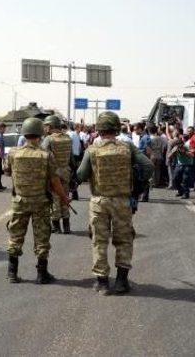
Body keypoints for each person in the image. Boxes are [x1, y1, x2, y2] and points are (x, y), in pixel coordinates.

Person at [76, 111, 153, 295]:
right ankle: (121, 282)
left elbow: (80, 175)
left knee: (99, 241)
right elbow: (148, 166)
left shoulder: (92, 150)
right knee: (124, 240)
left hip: (99, 201)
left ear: (99, 129)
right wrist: (137, 190)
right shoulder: (128, 147)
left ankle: (102, 283)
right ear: (117, 129)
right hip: (122, 201)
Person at [4, 117, 70, 284]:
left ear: (24, 133)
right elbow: (55, 182)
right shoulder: (46, 155)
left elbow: (7, 171)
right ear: (41, 133)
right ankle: (42, 274)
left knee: (15, 236)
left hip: (20, 201)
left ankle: (12, 272)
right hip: (40, 202)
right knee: (42, 238)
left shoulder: (13, 153)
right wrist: (64, 198)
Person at [41, 115, 73, 234]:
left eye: (45, 126)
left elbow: (44, 157)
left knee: (55, 198)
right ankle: (67, 226)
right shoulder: (68, 138)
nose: (44, 128)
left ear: (49, 126)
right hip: (66, 171)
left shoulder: (49, 139)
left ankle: (56, 226)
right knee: (65, 197)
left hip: (54, 173)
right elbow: (71, 159)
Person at [170, 133, 195, 199]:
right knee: (175, 179)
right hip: (179, 165)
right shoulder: (176, 148)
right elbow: (169, 156)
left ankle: (186, 194)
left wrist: (184, 152)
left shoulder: (186, 147)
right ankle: (180, 191)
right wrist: (173, 152)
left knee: (185, 180)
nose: (178, 147)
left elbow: (192, 155)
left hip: (187, 165)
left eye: (179, 145)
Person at [68, 123, 84, 200]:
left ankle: (74, 193)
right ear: (76, 128)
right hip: (72, 157)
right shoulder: (72, 135)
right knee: (72, 176)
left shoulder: (78, 135)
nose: (81, 128)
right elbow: (69, 146)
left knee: (74, 176)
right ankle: (72, 193)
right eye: (80, 127)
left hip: (76, 157)